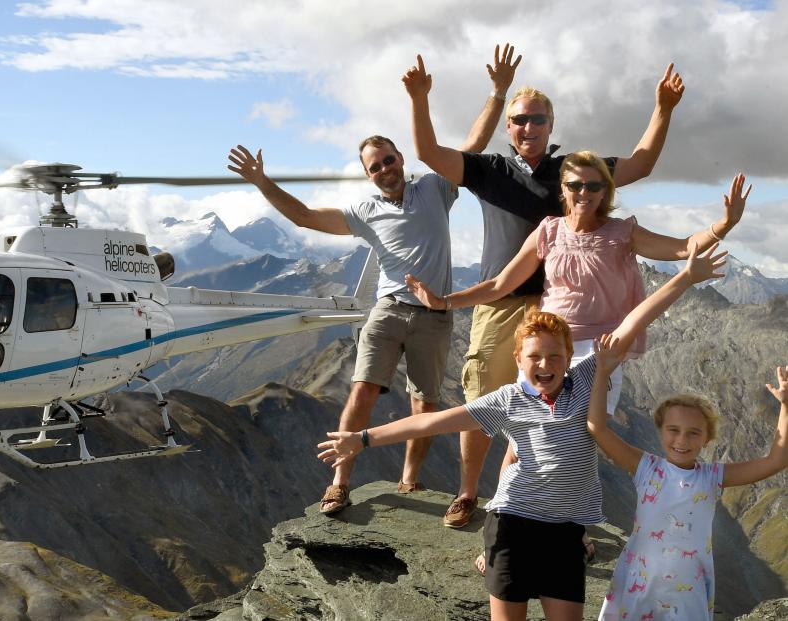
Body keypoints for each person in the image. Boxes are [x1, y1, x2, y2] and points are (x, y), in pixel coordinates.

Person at [318, 244, 727, 621]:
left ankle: (498, 558)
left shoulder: (588, 377)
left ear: (570, 357)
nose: (545, 364)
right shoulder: (507, 400)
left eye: (555, 355)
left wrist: (685, 277)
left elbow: (635, 320)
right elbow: (432, 421)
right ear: (519, 359)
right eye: (535, 356)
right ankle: (491, 555)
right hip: (513, 524)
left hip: (566, 534)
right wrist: (364, 439)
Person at [228, 44, 521, 515]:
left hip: (434, 314)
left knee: (425, 407)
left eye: (388, 160)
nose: (384, 169)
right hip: (388, 311)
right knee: (362, 390)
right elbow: (304, 216)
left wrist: (498, 92)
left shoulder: (435, 187)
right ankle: (339, 483)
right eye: (374, 166)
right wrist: (263, 183)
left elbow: (472, 145)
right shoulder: (364, 212)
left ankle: (409, 482)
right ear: (367, 175)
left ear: (401, 158)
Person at [401, 53, 686, 527]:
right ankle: (468, 493)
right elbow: (430, 154)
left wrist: (663, 109)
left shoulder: (575, 171)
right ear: (508, 127)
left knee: (563, 415)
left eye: (537, 118)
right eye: (519, 120)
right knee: (483, 395)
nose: (528, 126)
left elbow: (640, 164)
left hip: (560, 309)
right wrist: (419, 99)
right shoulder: (489, 169)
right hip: (501, 298)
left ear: (551, 125)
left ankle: (546, 508)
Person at [407, 152, 750, 415]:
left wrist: (724, 224)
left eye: (593, 185)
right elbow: (499, 285)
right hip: (547, 347)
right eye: (574, 185)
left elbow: (681, 248)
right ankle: (512, 505)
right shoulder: (549, 230)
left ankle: (569, 507)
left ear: (605, 191)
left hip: (601, 348)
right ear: (564, 190)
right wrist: (444, 301)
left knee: (585, 432)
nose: (583, 192)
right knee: (527, 429)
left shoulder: (622, 232)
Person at [590, 344, 787, 620]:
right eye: (674, 430)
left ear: (707, 439)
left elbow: (775, 461)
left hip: (686, 588)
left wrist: (786, 407)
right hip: (639, 579)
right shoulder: (645, 467)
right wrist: (602, 373)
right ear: (660, 431)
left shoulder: (712, 477)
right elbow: (597, 427)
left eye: (694, 433)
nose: (682, 440)